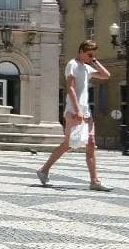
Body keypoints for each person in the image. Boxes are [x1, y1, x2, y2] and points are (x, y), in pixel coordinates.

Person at [37, 40, 112, 191]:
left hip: (86, 112)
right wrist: (77, 110)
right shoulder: (72, 64)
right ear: (81, 51)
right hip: (73, 110)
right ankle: (44, 170)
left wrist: (95, 61)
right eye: (89, 54)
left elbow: (106, 75)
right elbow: (70, 88)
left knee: (91, 143)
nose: (91, 57)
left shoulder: (86, 67)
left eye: (93, 55)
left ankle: (94, 181)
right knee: (68, 144)